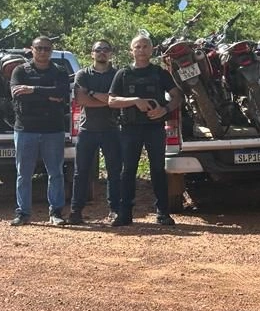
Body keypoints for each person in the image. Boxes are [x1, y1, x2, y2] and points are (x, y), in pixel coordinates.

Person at [108, 34, 182, 227]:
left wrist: (164, 109)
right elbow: (112, 101)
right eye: (137, 47)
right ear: (131, 51)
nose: (141, 50)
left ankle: (163, 213)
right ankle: (125, 214)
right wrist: (135, 101)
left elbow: (177, 96)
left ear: (151, 50)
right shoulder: (123, 74)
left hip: (154, 128)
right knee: (128, 171)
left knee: (158, 170)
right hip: (130, 129)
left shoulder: (160, 73)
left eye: (145, 46)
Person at [9, 36, 72, 226]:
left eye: (46, 48)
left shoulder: (59, 71)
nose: (43, 51)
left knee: (56, 173)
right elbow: (18, 95)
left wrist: (33, 90)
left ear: (51, 51)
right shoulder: (20, 70)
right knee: (23, 174)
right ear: (32, 49)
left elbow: (62, 93)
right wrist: (48, 94)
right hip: (25, 129)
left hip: (53, 129)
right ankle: (23, 213)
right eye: (39, 48)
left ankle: (56, 212)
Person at [67, 40, 122, 225]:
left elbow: (116, 100)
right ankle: (76, 212)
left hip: (111, 129)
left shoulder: (117, 74)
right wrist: (107, 100)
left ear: (111, 53)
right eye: (98, 50)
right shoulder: (83, 74)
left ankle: (115, 210)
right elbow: (82, 100)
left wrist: (91, 92)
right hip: (87, 130)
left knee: (114, 172)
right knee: (81, 172)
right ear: (92, 53)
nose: (102, 52)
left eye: (106, 49)